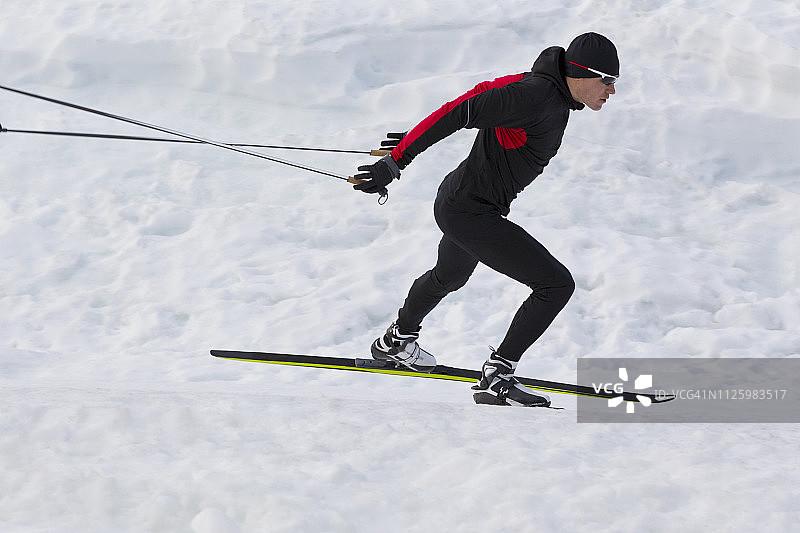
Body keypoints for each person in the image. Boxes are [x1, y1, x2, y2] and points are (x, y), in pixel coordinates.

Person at [353, 33, 619, 407]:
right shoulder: (535, 96)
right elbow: (464, 109)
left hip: (464, 204)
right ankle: (498, 375)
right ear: (580, 72)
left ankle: (396, 342)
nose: (611, 90)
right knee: (555, 285)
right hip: (469, 212)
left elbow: (479, 93)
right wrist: (398, 159)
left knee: (450, 276)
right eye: (607, 80)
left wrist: (412, 136)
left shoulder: (546, 92)